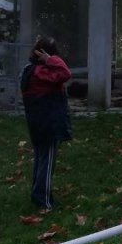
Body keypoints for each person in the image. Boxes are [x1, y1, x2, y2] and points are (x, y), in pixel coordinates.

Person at [20, 36, 72, 209]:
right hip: (49, 123)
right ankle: (44, 200)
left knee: (40, 159)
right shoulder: (43, 73)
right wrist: (50, 60)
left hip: (36, 122)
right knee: (48, 161)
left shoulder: (28, 70)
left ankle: (37, 193)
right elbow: (65, 73)